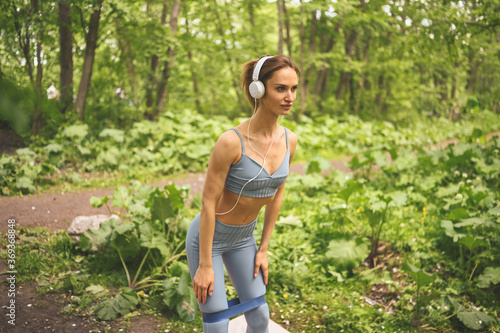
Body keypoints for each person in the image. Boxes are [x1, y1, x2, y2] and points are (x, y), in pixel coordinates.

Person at [185, 55, 299, 333]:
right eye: (281, 88)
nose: (289, 97)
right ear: (258, 90)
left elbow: (277, 195)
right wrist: (205, 265)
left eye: (294, 89)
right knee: (217, 322)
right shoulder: (230, 142)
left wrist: (263, 249)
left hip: (243, 238)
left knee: (260, 316)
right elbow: (208, 202)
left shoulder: (289, 140)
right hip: (208, 239)